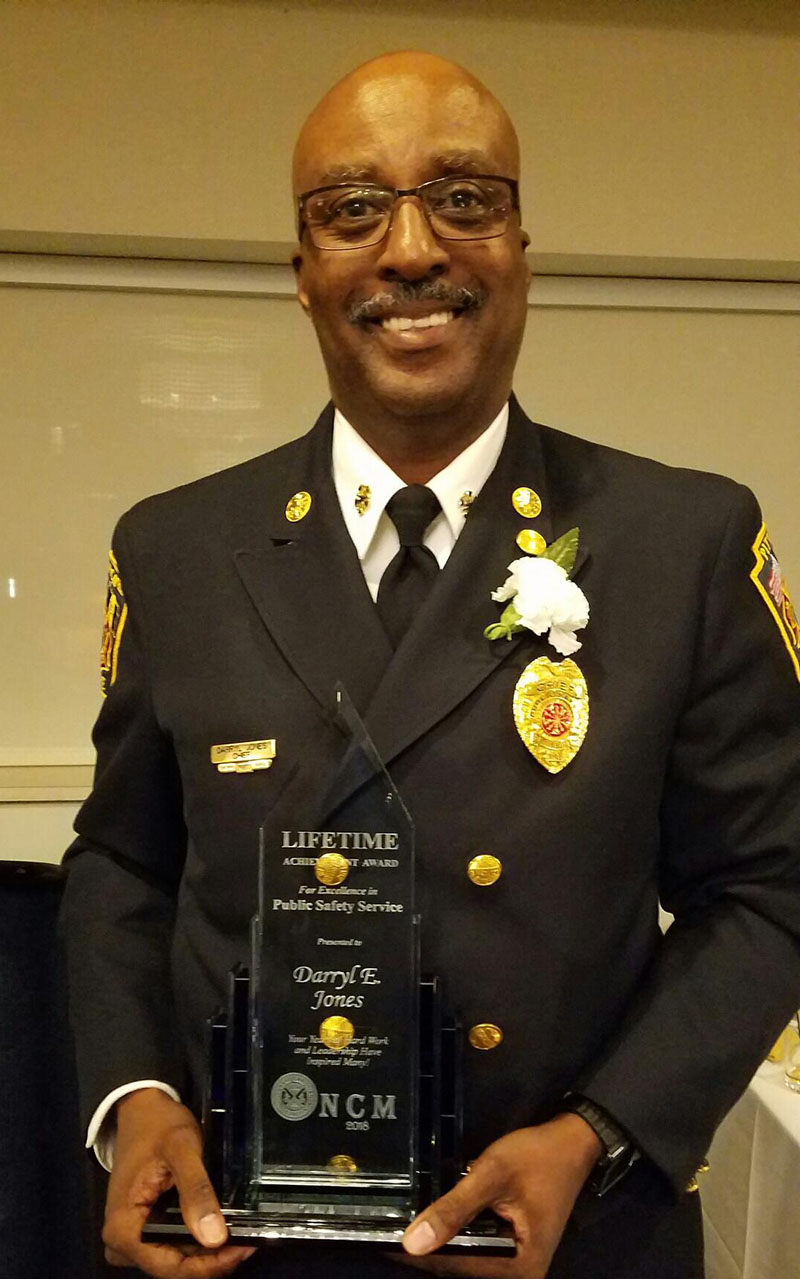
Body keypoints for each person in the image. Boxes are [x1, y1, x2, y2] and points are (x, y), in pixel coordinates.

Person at [61, 51, 800, 1279]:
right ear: (301, 275)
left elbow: (769, 886)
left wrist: (596, 1135)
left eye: (463, 197)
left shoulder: (684, 542)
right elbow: (125, 862)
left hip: (569, 1238)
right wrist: (133, 1095)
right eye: (352, 210)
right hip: (240, 1238)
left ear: (519, 247)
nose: (411, 250)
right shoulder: (176, 547)